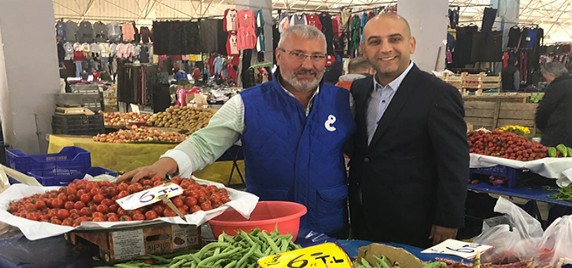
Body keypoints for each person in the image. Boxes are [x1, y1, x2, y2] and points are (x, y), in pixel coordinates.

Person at [119, 25, 355, 237]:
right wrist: (164, 165)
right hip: (267, 227)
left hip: (329, 226)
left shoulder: (344, 102)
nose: (307, 65)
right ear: (280, 56)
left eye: (317, 57)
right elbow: (204, 143)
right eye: (298, 55)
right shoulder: (247, 104)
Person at [348, 13, 469, 248]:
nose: (385, 49)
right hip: (365, 216)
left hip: (414, 221)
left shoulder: (437, 94)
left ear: (411, 44)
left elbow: (454, 162)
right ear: (364, 49)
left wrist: (448, 219)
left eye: (395, 39)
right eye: (375, 42)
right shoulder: (359, 90)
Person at [535, 62, 572, 149]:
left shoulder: (556, 87)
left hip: (558, 133)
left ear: (551, 75)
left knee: (554, 159)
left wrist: (542, 127)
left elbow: (544, 110)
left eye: (545, 76)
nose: (545, 80)